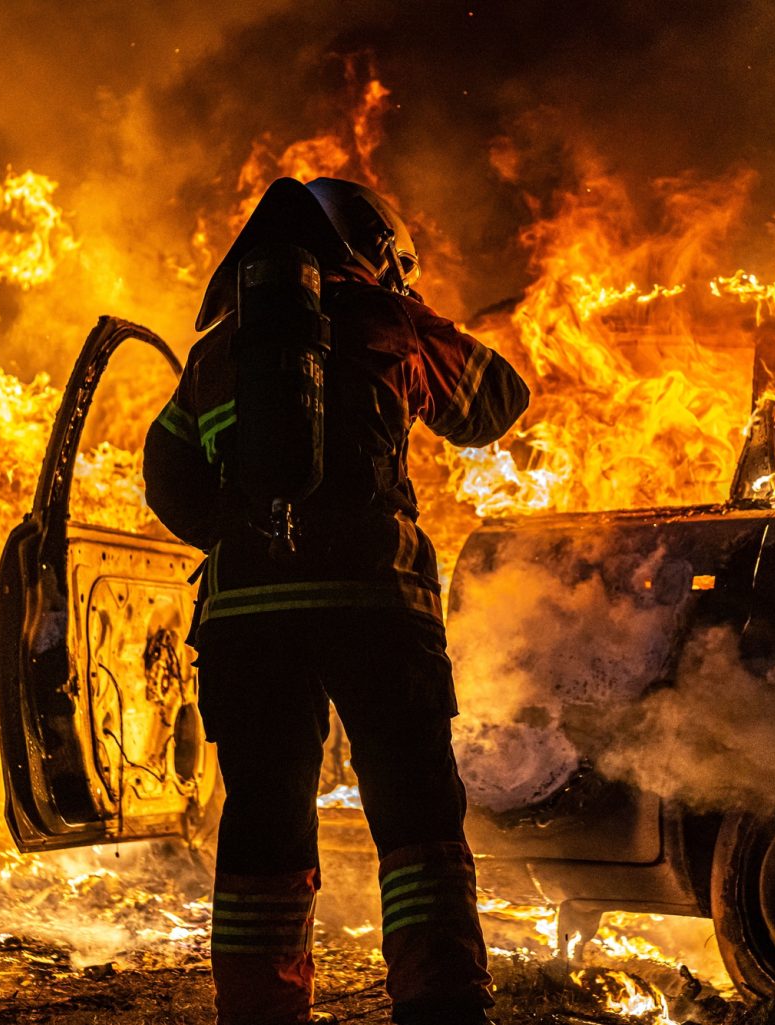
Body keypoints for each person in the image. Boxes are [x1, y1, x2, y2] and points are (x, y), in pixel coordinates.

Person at [143, 177, 530, 1025]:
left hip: (249, 622)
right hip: (377, 607)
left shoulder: (217, 353)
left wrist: (244, 540)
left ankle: (260, 1012)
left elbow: (164, 477)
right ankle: (441, 1004)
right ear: (372, 251)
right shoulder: (394, 328)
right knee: (417, 820)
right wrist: (413, 312)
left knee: (263, 830)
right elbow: (497, 403)